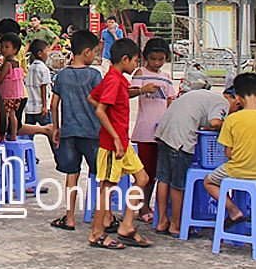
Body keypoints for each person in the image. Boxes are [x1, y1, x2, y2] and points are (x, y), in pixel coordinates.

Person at [87, 38, 153, 249]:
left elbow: (92, 98)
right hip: (112, 144)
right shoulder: (114, 80)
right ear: (125, 59)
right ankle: (96, 233)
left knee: (142, 178)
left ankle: (126, 225)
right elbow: (99, 110)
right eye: (135, 61)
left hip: (123, 143)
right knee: (107, 188)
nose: (136, 65)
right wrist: (114, 135)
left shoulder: (116, 79)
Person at [153, 81, 239, 236]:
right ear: (236, 101)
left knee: (163, 179)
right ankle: (176, 225)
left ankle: (162, 221)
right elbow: (215, 122)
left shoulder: (208, 97)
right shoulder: (223, 104)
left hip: (165, 132)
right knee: (178, 184)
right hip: (181, 139)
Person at [203, 73, 256, 231]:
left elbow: (228, 154)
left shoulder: (232, 121)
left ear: (238, 98)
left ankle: (234, 211)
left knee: (209, 181)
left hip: (237, 171)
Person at [49, 30, 112, 232]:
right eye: (95, 52)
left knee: (72, 174)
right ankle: (106, 216)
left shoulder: (62, 76)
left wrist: (56, 127)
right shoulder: (94, 75)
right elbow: (102, 104)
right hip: (92, 133)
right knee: (100, 175)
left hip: (69, 132)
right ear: (86, 52)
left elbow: (53, 104)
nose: (95, 56)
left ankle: (69, 217)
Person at [128, 38, 177, 223]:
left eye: (161, 59)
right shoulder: (140, 73)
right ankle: (142, 206)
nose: (156, 63)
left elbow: (171, 100)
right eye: (153, 59)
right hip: (145, 130)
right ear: (145, 57)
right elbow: (128, 92)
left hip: (162, 131)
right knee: (145, 172)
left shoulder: (166, 76)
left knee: (158, 173)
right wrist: (143, 90)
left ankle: (151, 205)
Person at [0, 33, 26, 141]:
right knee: (13, 115)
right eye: (2, 47)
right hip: (16, 95)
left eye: (6, 47)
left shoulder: (7, 64)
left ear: (15, 49)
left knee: (5, 115)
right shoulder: (16, 62)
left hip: (7, 95)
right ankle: (13, 135)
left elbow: (1, 78)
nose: (3, 50)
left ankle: (3, 136)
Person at [25, 39, 52, 126]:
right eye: (47, 50)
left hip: (30, 107)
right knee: (50, 130)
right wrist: (44, 106)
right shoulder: (44, 69)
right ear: (40, 54)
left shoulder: (29, 68)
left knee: (29, 132)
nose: (48, 53)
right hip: (40, 107)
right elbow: (43, 87)